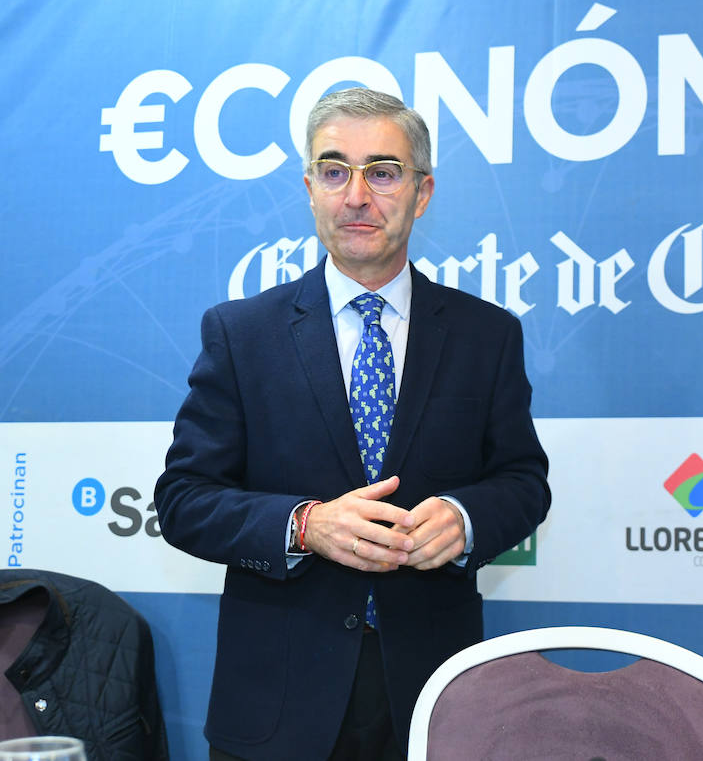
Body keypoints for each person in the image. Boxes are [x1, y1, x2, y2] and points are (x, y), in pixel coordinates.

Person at [156, 87, 551, 761]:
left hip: (432, 696)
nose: (356, 196)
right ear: (310, 188)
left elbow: (523, 481)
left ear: (421, 193)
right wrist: (305, 525)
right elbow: (184, 501)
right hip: (278, 704)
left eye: (383, 172)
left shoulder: (487, 335)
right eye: (335, 171)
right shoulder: (241, 334)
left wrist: (465, 516)